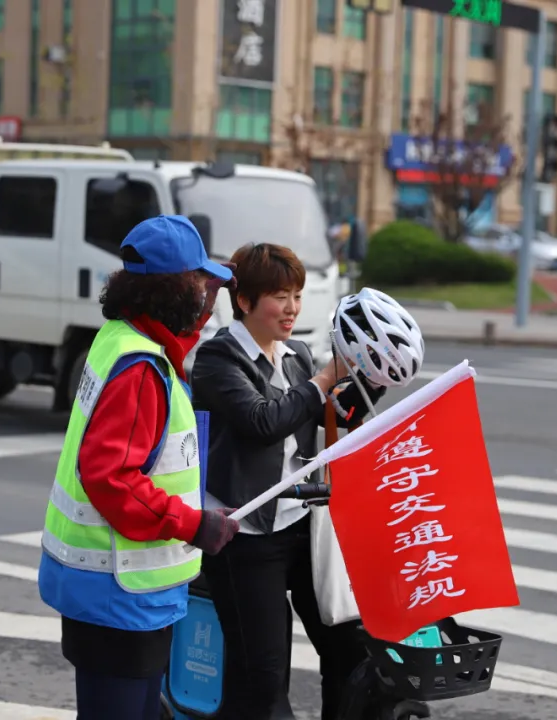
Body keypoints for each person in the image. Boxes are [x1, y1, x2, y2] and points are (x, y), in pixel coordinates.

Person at [37, 214, 242, 720]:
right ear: (172, 291)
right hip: (119, 595)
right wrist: (193, 524)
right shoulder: (141, 369)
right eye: (200, 283)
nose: (208, 296)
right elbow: (112, 480)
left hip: (115, 592)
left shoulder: (121, 338)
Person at [189, 243, 384, 720]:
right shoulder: (219, 358)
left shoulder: (294, 354)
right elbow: (262, 421)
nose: (293, 308)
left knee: (349, 646)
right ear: (244, 301)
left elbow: (331, 414)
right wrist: (323, 380)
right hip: (245, 536)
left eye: (296, 295)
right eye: (280, 296)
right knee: (263, 675)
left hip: (300, 524)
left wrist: (370, 376)